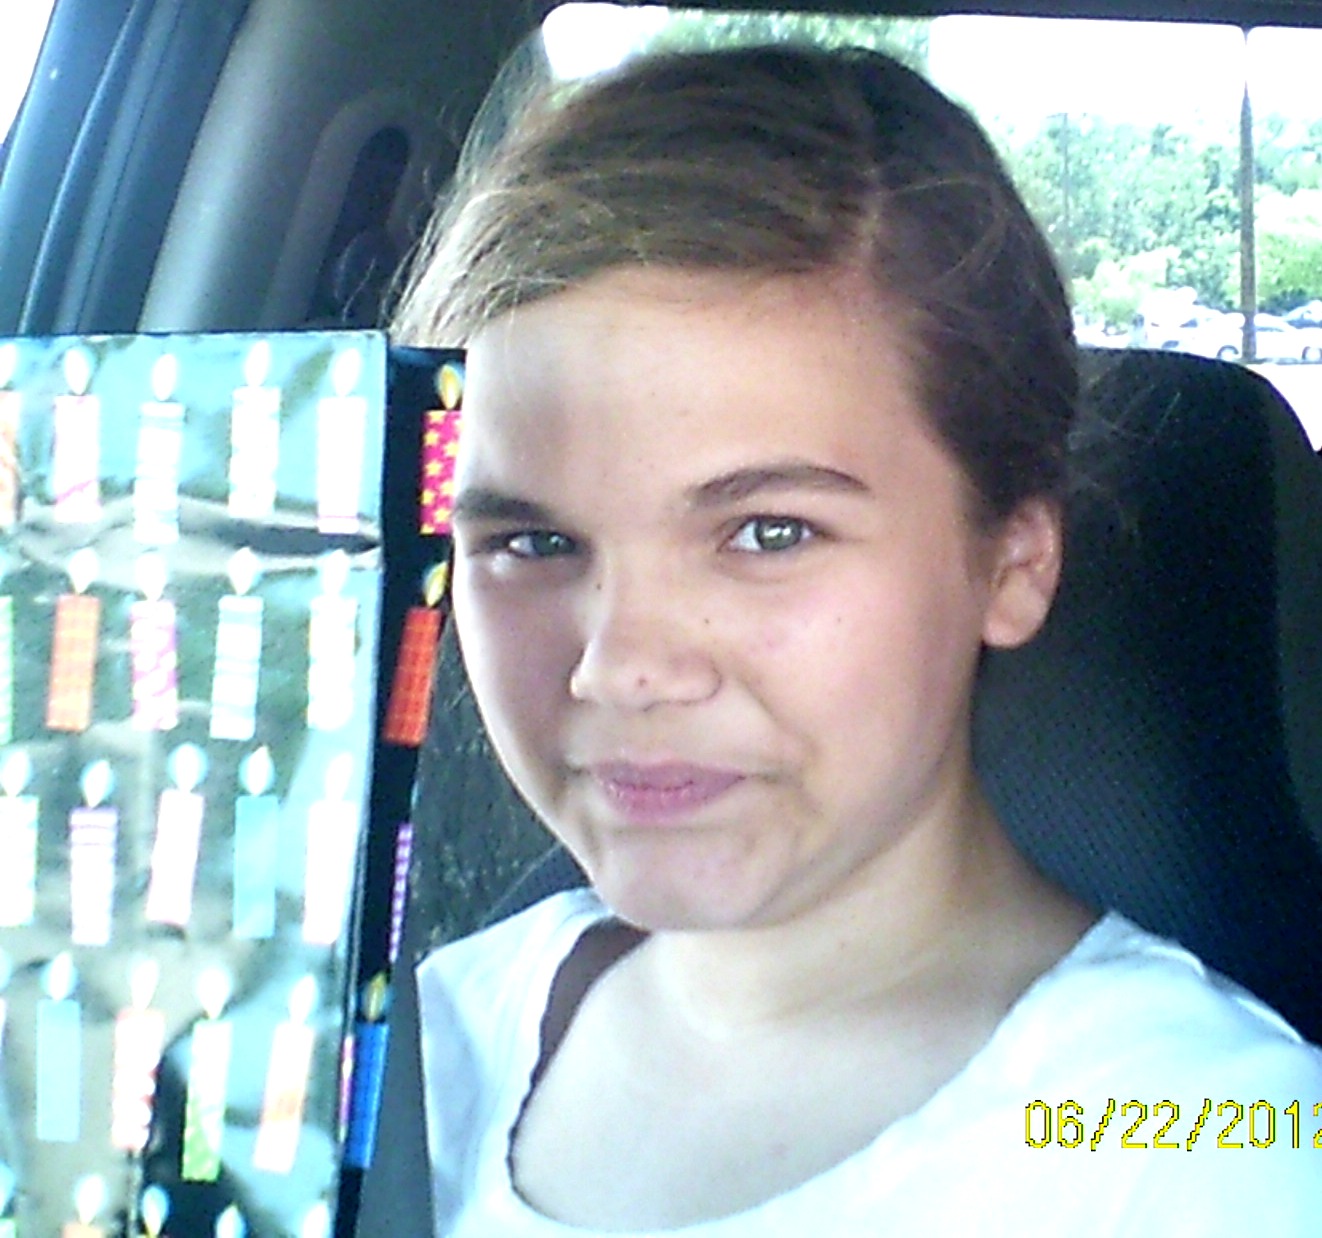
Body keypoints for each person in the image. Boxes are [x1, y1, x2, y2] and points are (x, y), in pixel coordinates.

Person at [393, 43, 1322, 1236]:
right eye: (531, 541)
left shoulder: (1216, 1143)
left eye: (767, 532)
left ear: (1012, 560)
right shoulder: (392, 1061)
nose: (618, 666)